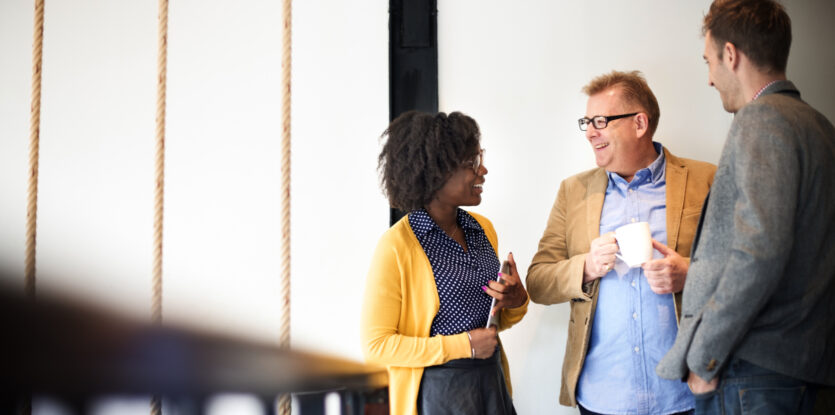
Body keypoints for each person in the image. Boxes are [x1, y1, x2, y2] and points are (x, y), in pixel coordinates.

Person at [656, 1, 835, 413]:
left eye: (709, 61)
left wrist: (705, 356)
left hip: (752, 374)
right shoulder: (821, 127)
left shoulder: (762, 119)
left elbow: (758, 252)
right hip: (802, 368)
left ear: (731, 54)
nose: (709, 78)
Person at [527, 70, 716, 415]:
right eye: (587, 122)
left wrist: (690, 273)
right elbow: (538, 282)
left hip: (685, 393)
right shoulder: (573, 191)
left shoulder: (707, 179)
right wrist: (585, 267)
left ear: (639, 123)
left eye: (600, 121)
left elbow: (745, 269)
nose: (590, 132)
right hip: (603, 396)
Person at [361, 110, 529, 415]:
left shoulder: (483, 229)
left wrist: (516, 301)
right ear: (435, 172)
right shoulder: (397, 246)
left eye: (480, 158)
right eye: (471, 163)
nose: (483, 170)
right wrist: (464, 346)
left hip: (491, 383)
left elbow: (489, 323)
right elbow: (377, 346)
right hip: (440, 393)